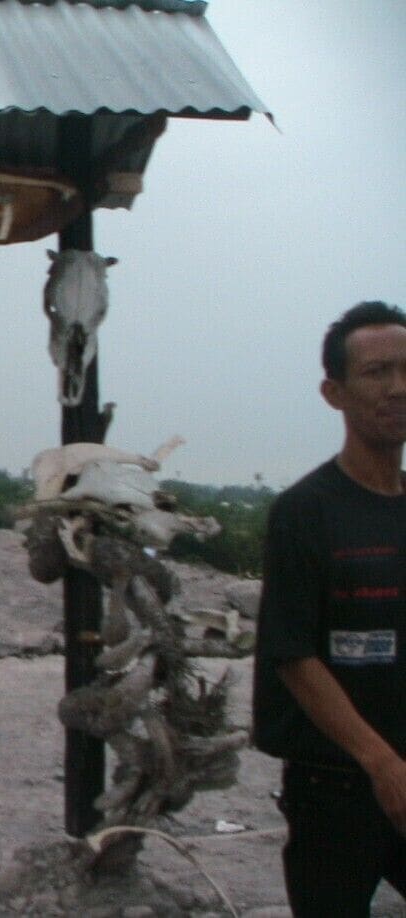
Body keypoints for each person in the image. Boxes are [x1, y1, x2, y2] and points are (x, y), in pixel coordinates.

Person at [253, 300, 406, 916]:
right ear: (334, 392)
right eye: (376, 373)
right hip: (335, 790)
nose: (398, 388)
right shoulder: (305, 512)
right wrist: (382, 764)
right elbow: (292, 654)